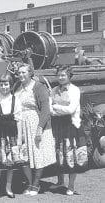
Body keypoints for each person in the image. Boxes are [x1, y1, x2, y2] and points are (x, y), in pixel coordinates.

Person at [14, 63, 56, 196]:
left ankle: (36, 184)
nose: (21, 75)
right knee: (24, 156)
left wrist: (39, 129)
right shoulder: (17, 86)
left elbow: (45, 109)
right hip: (21, 124)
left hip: (36, 123)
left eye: (23, 72)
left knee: (38, 155)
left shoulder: (38, 87)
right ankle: (30, 182)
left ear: (31, 73)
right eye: (19, 72)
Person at [50, 65, 85, 195]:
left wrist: (56, 107)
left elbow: (71, 110)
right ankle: (60, 182)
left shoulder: (75, 90)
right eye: (59, 75)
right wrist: (58, 109)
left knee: (71, 155)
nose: (61, 77)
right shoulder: (53, 90)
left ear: (69, 76)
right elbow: (49, 110)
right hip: (57, 126)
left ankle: (71, 185)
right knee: (58, 154)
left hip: (71, 126)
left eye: (63, 75)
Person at [0, 73, 22, 198]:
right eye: (1, 84)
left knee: (10, 164)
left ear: (11, 85)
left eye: (6, 84)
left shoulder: (15, 100)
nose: (4, 87)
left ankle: (8, 187)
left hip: (11, 135)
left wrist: (19, 139)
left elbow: (18, 120)